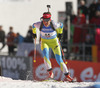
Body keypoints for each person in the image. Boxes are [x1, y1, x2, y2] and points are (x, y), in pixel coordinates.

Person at [32, 12, 74, 82]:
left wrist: (60, 33)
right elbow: (33, 25)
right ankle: (50, 73)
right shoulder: (40, 24)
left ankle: (67, 76)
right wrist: (34, 33)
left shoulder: (54, 24)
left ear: (50, 19)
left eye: (47, 20)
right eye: (44, 20)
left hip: (54, 43)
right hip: (45, 42)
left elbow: (61, 25)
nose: (45, 22)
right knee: (45, 55)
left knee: (59, 59)